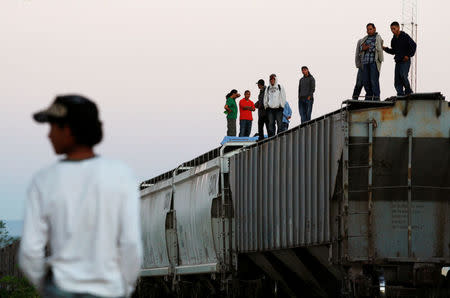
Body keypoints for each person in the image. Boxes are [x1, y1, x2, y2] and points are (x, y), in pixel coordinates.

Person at [19, 95, 142, 298]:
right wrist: (124, 287)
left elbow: (30, 252)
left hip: (60, 289)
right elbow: (131, 245)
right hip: (109, 289)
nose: (48, 136)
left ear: (67, 130)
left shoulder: (44, 180)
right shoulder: (121, 176)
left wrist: (47, 288)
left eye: (52, 128)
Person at [383, 21, 417, 96]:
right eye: (391, 29)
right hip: (398, 61)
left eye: (394, 28)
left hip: (405, 61)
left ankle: (408, 92)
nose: (392, 30)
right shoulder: (393, 40)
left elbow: (414, 45)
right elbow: (393, 51)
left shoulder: (405, 36)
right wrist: (385, 48)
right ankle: (400, 94)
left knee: (403, 76)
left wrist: (408, 55)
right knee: (397, 80)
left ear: (398, 28)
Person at [359, 23, 384, 100]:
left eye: (370, 29)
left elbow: (378, 48)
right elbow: (361, 48)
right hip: (365, 62)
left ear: (374, 29)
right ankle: (368, 98)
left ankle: (376, 98)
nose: (369, 31)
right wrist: (364, 48)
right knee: (366, 81)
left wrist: (367, 48)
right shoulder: (365, 39)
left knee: (374, 81)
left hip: (374, 62)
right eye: (367, 29)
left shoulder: (378, 38)